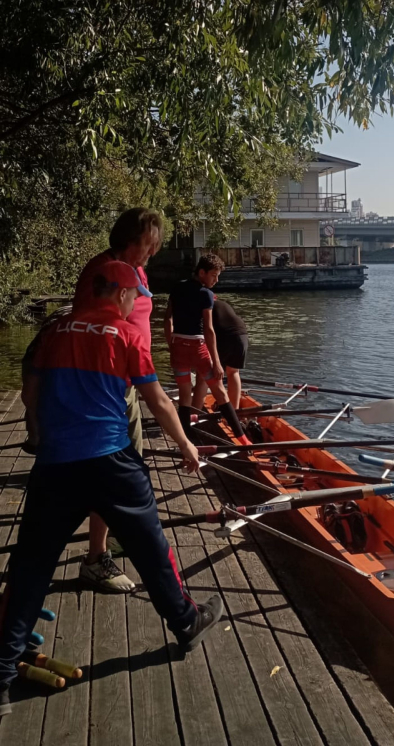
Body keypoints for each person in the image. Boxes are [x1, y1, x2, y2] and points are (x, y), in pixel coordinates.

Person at [0, 261, 223, 717]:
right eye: (135, 295)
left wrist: (38, 434)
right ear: (120, 294)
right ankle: (186, 622)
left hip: (56, 464)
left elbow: (30, 391)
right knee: (152, 550)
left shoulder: (54, 329)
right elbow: (157, 400)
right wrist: (185, 445)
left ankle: (1, 672)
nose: (135, 303)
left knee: (30, 566)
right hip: (111, 462)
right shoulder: (125, 334)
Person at [21, 208, 164, 593]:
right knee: (111, 474)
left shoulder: (135, 271)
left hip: (127, 384)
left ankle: (107, 541)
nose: (152, 252)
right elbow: (87, 332)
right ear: (130, 239)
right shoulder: (101, 272)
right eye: (148, 244)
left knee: (121, 472)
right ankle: (96, 558)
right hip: (107, 390)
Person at [164, 254, 250, 444]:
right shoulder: (206, 294)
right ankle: (243, 439)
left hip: (178, 348)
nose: (216, 280)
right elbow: (209, 330)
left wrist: (172, 345)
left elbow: (167, 320)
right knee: (220, 392)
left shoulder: (177, 287)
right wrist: (217, 362)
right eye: (214, 275)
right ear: (201, 272)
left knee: (184, 395)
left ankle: (185, 438)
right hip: (198, 349)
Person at [192, 298, 248, 412]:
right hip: (242, 335)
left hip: (225, 336)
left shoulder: (203, 308)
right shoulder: (222, 304)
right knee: (233, 372)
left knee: (202, 375)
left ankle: (195, 412)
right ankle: (233, 413)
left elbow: (206, 333)